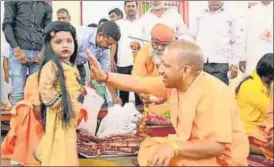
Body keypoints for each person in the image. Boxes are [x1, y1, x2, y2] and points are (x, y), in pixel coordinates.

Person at [87, 40, 249, 166]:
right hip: (189, 144)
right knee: (149, 147)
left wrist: (175, 148)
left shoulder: (215, 92)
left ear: (185, 70)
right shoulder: (174, 83)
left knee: (174, 160)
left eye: (166, 65)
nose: (161, 69)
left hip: (221, 158)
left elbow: (216, 147)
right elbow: (139, 82)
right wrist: (105, 77)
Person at [33, 21, 85, 166]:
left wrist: (81, 89)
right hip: (59, 112)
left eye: (69, 41)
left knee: (68, 140)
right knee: (58, 140)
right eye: (59, 42)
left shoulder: (70, 66)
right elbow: (45, 89)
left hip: (71, 112)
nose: (65, 45)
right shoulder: (51, 66)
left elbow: (72, 85)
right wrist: (61, 106)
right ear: (50, 45)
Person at [2, 1, 52, 106]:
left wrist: (43, 52)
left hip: (38, 53)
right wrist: (17, 50)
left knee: (37, 94)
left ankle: (34, 122)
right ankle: (18, 122)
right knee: (18, 94)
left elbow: (48, 30)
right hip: (18, 52)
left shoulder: (45, 5)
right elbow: (7, 25)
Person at [184, 1, 244, 85]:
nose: (214, 1)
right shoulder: (199, 14)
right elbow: (190, 37)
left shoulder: (231, 14)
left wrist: (234, 64)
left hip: (221, 65)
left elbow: (236, 41)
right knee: (200, 94)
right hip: (200, 64)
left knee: (219, 95)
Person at [132, 23, 175, 120]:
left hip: (172, 99)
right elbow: (137, 78)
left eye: (164, 45)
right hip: (150, 99)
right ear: (151, 40)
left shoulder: (176, 53)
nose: (159, 48)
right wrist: (144, 95)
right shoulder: (144, 52)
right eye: (156, 43)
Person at [1, 73, 44, 166]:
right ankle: (20, 153)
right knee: (24, 107)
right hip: (39, 110)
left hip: (57, 109)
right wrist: (38, 105)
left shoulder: (66, 74)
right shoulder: (35, 77)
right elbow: (33, 100)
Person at [236, 53, 273, 158]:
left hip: (261, 126)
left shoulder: (264, 84)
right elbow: (269, 108)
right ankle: (244, 147)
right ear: (270, 73)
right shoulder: (249, 86)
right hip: (247, 128)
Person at [76, 21, 121, 105]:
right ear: (100, 35)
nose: (109, 47)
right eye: (108, 43)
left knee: (80, 98)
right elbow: (64, 60)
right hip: (61, 62)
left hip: (79, 64)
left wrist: (114, 96)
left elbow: (106, 74)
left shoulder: (105, 48)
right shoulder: (82, 37)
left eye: (111, 44)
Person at [114, 1, 142, 105]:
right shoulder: (118, 23)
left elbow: (146, 40)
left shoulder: (142, 22)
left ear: (137, 7)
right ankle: (124, 116)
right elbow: (114, 42)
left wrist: (139, 45)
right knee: (123, 92)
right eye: (128, 6)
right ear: (124, 8)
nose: (131, 8)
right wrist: (112, 58)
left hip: (139, 62)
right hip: (123, 61)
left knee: (139, 91)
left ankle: (141, 117)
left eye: (133, 6)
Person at [242, 1, 273, 76]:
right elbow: (244, 35)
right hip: (253, 55)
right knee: (251, 80)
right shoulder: (251, 11)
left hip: (271, 54)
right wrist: (242, 57)